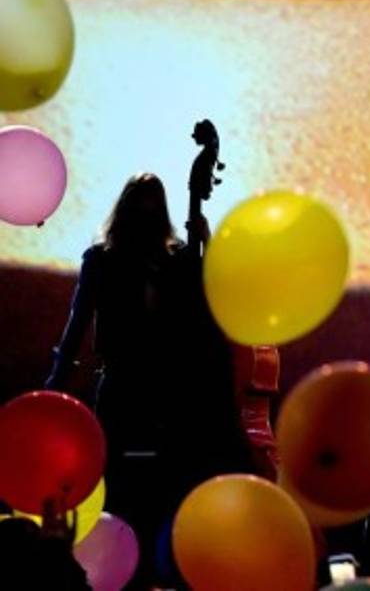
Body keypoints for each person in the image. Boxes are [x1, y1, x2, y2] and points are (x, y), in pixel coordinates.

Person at [45, 172, 247, 585]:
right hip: (130, 385)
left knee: (154, 482)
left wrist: (206, 246)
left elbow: (211, 309)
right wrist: (56, 381)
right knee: (119, 481)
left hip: (161, 391)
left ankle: (153, 565)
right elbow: (78, 324)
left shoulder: (174, 261)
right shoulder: (103, 260)